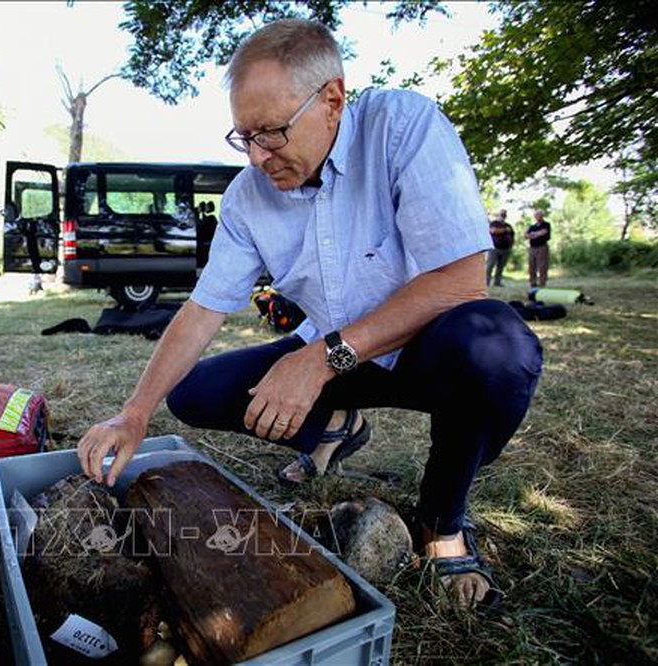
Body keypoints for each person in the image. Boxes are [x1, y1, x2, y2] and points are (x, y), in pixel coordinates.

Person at [77, 19, 543, 610]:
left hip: (432, 350)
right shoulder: (247, 196)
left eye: (271, 133)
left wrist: (320, 360)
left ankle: (440, 521)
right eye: (242, 136)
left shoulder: (403, 127)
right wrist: (134, 413)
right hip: (338, 358)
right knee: (196, 393)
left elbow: (460, 280)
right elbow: (201, 309)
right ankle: (336, 427)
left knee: (497, 349)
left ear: (332, 100)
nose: (256, 156)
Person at [485, 209, 515, 287]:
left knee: (500, 267)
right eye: (502, 214)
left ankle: (497, 282)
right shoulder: (494, 223)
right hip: (495, 248)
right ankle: (486, 282)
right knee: (490, 265)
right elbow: (493, 231)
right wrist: (505, 230)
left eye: (504, 214)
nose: (503, 215)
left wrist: (511, 245)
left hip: (506, 249)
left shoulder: (508, 225)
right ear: (499, 214)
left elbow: (512, 235)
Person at [525, 210, 551, 289]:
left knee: (542, 266)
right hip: (532, 248)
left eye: (539, 215)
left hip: (542, 247)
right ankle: (533, 283)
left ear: (542, 216)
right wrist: (535, 234)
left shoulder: (546, 224)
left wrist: (533, 234)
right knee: (531, 266)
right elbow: (526, 235)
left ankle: (542, 283)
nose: (538, 217)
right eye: (536, 215)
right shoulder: (532, 226)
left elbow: (543, 232)